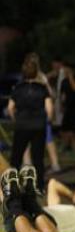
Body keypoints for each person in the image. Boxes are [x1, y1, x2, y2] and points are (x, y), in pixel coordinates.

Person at [8, 58, 52, 192]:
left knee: (16, 157)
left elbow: (10, 107)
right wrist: (47, 120)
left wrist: (15, 119)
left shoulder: (18, 88)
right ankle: (40, 186)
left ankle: (12, 185)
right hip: (38, 125)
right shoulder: (42, 88)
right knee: (38, 158)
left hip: (22, 124)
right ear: (36, 72)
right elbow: (49, 108)